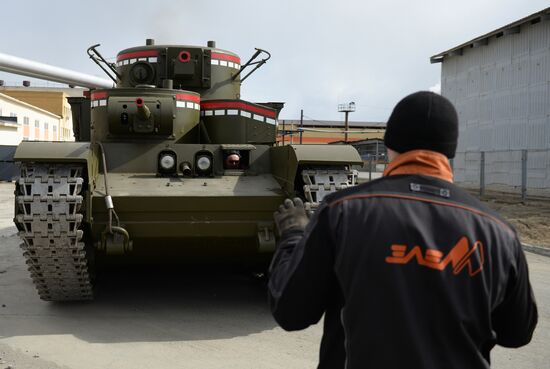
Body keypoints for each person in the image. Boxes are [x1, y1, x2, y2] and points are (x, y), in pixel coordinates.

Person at [268, 91, 538, 369]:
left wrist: (293, 235)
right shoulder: (499, 233)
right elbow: (517, 333)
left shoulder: (343, 212)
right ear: (450, 150)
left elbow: (291, 312)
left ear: (390, 144)